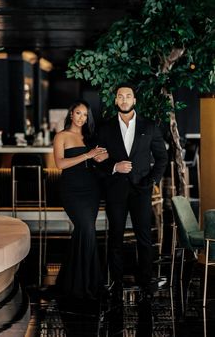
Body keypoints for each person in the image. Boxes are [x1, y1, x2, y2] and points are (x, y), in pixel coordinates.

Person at [95, 82, 168, 301]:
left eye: (128, 96)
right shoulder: (105, 128)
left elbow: (162, 158)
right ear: (116, 100)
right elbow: (97, 160)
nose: (124, 99)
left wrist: (152, 181)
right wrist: (115, 166)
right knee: (115, 237)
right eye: (120, 96)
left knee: (144, 238)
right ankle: (116, 283)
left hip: (141, 189)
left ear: (134, 100)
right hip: (115, 190)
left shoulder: (150, 126)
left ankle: (146, 281)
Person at [53, 100, 108, 300]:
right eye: (78, 113)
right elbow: (60, 164)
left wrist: (102, 155)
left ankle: (77, 283)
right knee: (86, 228)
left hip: (91, 189)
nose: (81, 118)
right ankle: (84, 285)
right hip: (72, 191)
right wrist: (87, 155)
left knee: (86, 231)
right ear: (71, 114)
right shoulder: (62, 136)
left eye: (85, 115)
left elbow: (100, 158)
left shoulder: (90, 137)